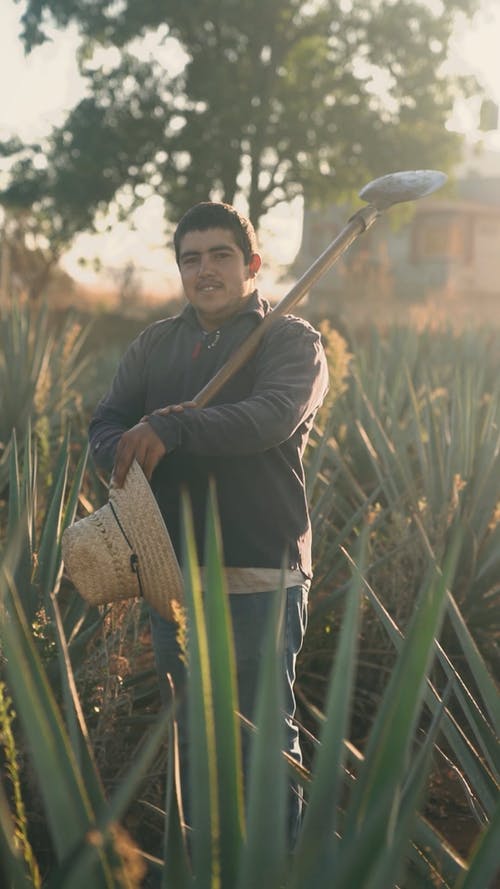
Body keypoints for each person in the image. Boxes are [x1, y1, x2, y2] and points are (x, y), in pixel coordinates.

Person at [88, 201, 329, 843]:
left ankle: (275, 873)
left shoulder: (290, 340)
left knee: (264, 746)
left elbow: (270, 417)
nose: (206, 270)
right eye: (191, 259)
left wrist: (172, 427)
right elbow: (105, 424)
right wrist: (126, 449)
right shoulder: (155, 344)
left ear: (252, 265)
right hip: (172, 577)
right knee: (191, 741)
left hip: (259, 572)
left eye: (220, 255)